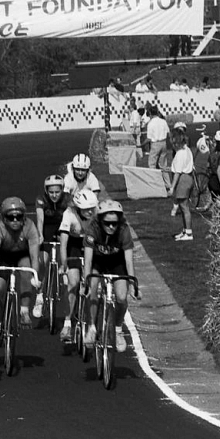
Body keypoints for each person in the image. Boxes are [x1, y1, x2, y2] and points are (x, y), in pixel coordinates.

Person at [83, 199, 135, 352]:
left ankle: (118, 329)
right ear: (100, 221)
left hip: (116, 263)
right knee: (92, 287)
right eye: (107, 223)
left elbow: (129, 260)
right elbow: (88, 260)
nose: (111, 227)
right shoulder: (92, 230)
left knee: (121, 297)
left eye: (115, 223)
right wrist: (86, 282)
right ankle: (92, 327)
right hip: (97, 261)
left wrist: (132, 284)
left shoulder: (124, 230)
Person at [0, 197, 40, 345]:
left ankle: (24, 311)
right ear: (3, 218)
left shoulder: (30, 227)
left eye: (18, 217)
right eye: (10, 217)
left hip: (22, 255)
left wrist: (35, 276)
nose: (15, 220)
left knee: (27, 269)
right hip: (3, 256)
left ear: (24, 217)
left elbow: (35, 256)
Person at [58, 190, 98, 343]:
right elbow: (64, 244)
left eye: (92, 208)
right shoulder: (69, 214)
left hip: (92, 245)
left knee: (94, 286)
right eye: (86, 209)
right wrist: (64, 264)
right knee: (73, 282)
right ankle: (67, 323)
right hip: (74, 246)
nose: (90, 212)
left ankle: (93, 325)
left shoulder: (97, 214)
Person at [34, 174, 70, 317]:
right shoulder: (41, 199)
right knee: (43, 262)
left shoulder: (68, 199)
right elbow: (40, 219)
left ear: (62, 190)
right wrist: (40, 235)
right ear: (46, 191)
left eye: (57, 192)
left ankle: (64, 272)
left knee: (65, 253)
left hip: (63, 228)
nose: (54, 195)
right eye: (51, 192)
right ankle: (39, 296)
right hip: (47, 229)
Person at [169, 130, 194, 241]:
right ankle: (185, 230)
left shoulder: (180, 154)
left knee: (184, 207)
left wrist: (172, 187)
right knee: (184, 207)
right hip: (188, 178)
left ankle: (188, 233)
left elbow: (177, 173)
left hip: (183, 180)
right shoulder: (187, 150)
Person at [140, 107, 171, 176]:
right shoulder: (163, 121)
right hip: (164, 143)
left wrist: (141, 145)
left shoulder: (151, 123)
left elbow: (149, 139)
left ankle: (154, 181)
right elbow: (168, 133)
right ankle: (167, 184)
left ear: (150, 113)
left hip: (155, 144)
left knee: (152, 164)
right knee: (163, 165)